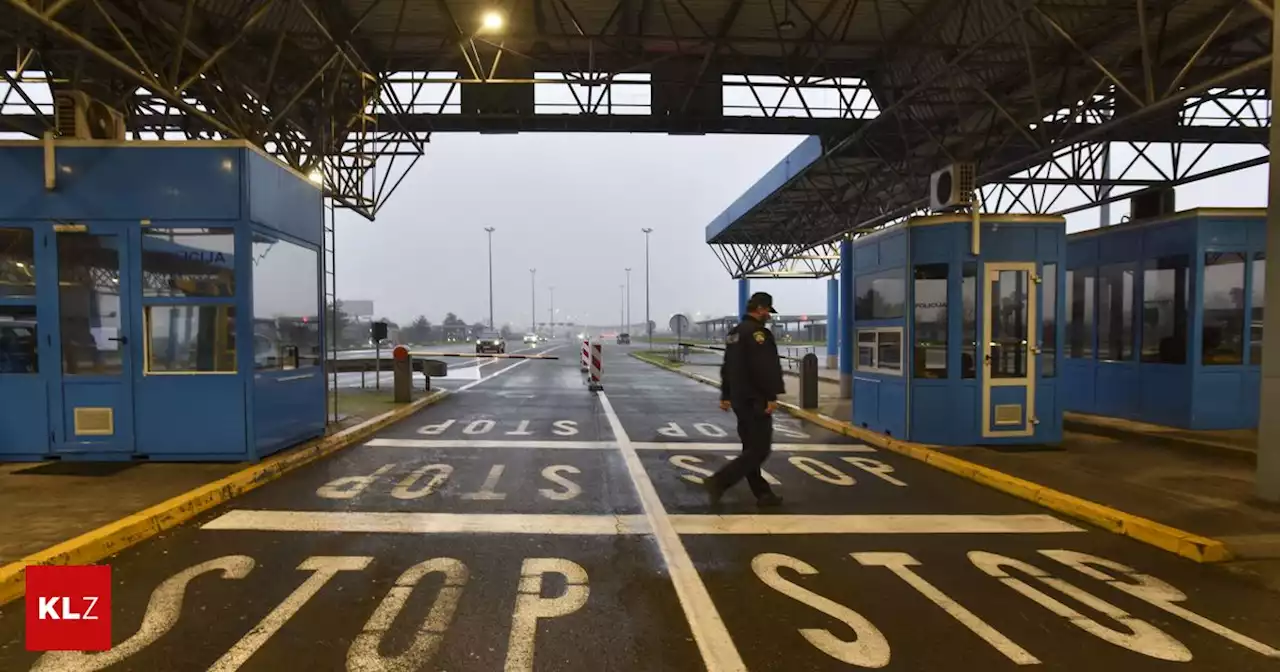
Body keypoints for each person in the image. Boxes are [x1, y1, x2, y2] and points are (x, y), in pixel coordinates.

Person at [705, 291, 785, 507]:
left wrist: (726, 394)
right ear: (760, 308)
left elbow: (728, 366)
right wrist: (771, 396)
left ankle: (763, 494)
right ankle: (719, 481)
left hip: (740, 399)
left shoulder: (735, 333)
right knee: (760, 449)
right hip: (756, 399)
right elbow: (766, 368)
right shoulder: (759, 334)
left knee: (750, 448)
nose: (769, 314)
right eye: (767, 310)